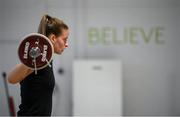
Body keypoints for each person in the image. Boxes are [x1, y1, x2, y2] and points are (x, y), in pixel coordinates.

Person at [7, 14, 69, 116]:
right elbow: (11, 79)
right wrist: (32, 57)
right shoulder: (36, 61)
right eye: (65, 39)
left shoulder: (47, 61)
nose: (67, 44)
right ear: (53, 38)